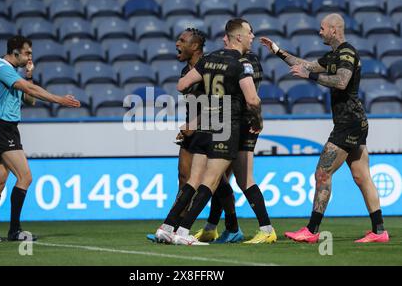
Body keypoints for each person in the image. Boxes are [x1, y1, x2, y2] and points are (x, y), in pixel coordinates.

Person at [260, 13, 389, 243]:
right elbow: (304, 65)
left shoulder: (347, 53)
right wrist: (278, 51)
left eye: (322, 28)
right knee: (361, 176)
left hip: (348, 123)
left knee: (322, 174)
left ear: (333, 29)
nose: (319, 32)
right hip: (354, 122)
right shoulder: (334, 55)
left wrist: (310, 76)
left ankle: (311, 230)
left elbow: (341, 81)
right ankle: (379, 231)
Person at [155, 18, 263, 245]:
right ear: (239, 38)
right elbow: (252, 99)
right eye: (249, 34)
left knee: (193, 180)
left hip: (203, 124)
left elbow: (181, 86)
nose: (252, 38)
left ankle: (167, 227)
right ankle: (184, 232)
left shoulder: (209, 59)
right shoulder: (242, 64)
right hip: (225, 126)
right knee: (211, 181)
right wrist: (257, 118)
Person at [0, 35, 81, 242]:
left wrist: (29, 75)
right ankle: (15, 230)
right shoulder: (2, 68)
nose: (30, 56)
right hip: (2, 128)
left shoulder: (13, 72)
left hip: (6, 128)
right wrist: (59, 100)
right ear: (14, 52)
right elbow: (29, 90)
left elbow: (30, 100)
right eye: (27, 53)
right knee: (25, 177)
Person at [195, 49, 277, 244]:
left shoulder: (241, 63)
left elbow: (249, 96)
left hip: (239, 124)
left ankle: (266, 229)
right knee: (220, 178)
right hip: (237, 123)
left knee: (241, 179)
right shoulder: (251, 62)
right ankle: (214, 227)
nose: (224, 41)